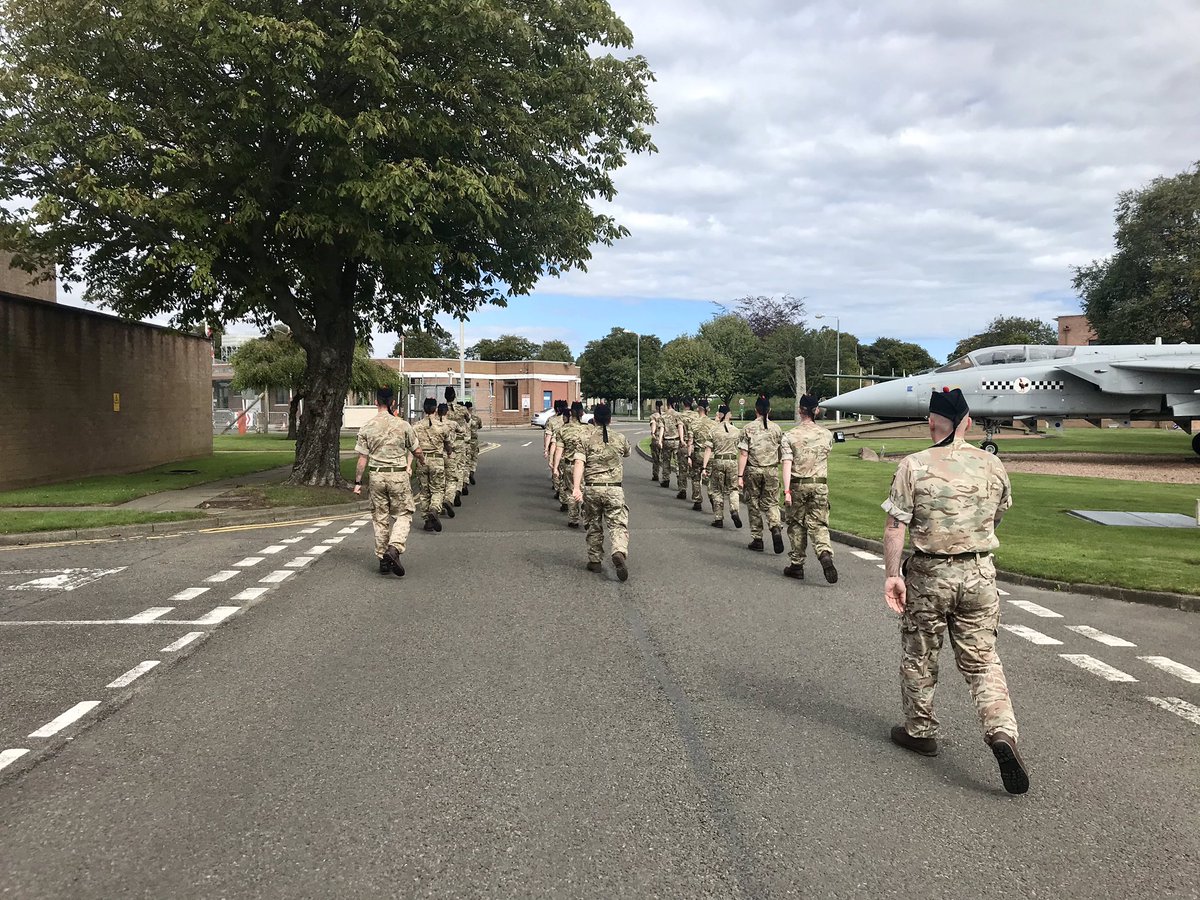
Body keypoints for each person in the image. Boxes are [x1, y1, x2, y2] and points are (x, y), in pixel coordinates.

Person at [882, 388, 1028, 795]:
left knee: (920, 655)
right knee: (982, 661)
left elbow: (895, 526)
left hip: (929, 573)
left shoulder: (913, 465)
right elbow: (999, 513)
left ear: (931, 422)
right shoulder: (991, 463)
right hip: (979, 573)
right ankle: (1001, 731)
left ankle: (920, 730)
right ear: (968, 422)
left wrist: (892, 574)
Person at [353, 387, 424, 576]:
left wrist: (358, 482)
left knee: (380, 518)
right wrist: (422, 460)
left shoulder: (367, 427)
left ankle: (383, 559)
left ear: (376, 402)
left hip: (376, 476)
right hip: (398, 476)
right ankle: (394, 547)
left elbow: (362, 459)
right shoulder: (404, 425)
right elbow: (416, 450)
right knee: (404, 513)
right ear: (393, 403)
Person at [780, 394, 838, 583]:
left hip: (798, 483)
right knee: (819, 523)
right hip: (820, 483)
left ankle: (797, 564)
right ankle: (824, 553)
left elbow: (787, 463)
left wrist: (787, 491)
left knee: (796, 523)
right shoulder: (826, 435)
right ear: (817, 411)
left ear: (800, 410)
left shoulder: (789, 435)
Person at [572, 403, 631, 581]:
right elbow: (627, 452)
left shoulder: (584, 437)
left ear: (594, 419)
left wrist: (576, 487)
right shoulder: (620, 437)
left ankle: (595, 560)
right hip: (614, 488)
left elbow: (579, 462)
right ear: (610, 419)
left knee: (593, 524)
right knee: (617, 524)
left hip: (592, 488)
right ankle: (618, 550)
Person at [737, 395, 785, 554]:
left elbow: (744, 453)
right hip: (771, 470)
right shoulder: (776, 429)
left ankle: (757, 538)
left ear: (755, 410)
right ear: (769, 410)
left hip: (753, 470)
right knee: (771, 502)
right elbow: (781, 450)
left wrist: (739, 476)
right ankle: (775, 525)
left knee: (753, 503)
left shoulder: (748, 428)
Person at [412, 397, 453, 532]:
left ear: (424, 409)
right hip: (437, 461)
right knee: (438, 489)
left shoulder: (416, 426)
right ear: (435, 409)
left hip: (422, 460)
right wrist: (449, 453)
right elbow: (448, 444)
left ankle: (427, 521)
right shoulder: (442, 426)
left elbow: (412, 446)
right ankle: (434, 509)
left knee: (424, 491)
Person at [700, 405, 742, 528]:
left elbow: (708, 449)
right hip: (732, 461)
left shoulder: (713, 430)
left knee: (717, 490)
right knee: (733, 489)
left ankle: (718, 518)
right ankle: (734, 509)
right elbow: (742, 449)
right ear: (729, 415)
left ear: (719, 415)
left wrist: (704, 467)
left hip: (718, 461)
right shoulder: (736, 431)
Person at [554, 401, 588, 527]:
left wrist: (555, 467)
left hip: (569, 464)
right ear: (582, 412)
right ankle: (586, 516)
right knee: (585, 490)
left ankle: (573, 519)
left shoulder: (563, 429)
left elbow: (559, 450)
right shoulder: (589, 429)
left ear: (570, 412)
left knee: (571, 490)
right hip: (585, 465)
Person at [443, 386, 469, 505]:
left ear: (445, 396)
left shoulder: (441, 409)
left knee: (447, 468)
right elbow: (468, 419)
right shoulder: (462, 409)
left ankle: (448, 493)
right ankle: (457, 490)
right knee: (460, 466)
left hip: (446, 442)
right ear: (454, 396)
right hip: (459, 441)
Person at [689, 398, 714, 512]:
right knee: (710, 478)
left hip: (698, 453)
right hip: (710, 454)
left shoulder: (693, 423)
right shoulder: (713, 424)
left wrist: (689, 456)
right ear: (708, 409)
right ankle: (712, 496)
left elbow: (690, 441)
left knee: (696, 477)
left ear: (698, 409)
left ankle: (697, 500)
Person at [435, 403, 456, 520]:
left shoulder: (433, 424)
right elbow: (462, 431)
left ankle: (439, 505)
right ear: (447, 412)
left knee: (439, 482)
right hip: (449, 454)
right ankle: (448, 499)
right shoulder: (452, 424)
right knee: (451, 479)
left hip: (437, 456)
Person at [675, 398, 697, 500]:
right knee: (695, 471)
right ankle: (696, 493)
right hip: (695, 445)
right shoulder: (696, 415)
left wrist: (682, 440)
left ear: (683, 404)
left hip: (685, 444)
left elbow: (680, 427)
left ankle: (683, 489)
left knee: (683, 469)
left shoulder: (681, 415)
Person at [658, 398, 681, 489]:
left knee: (666, 461)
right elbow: (680, 427)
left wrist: (660, 440)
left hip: (667, 441)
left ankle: (666, 479)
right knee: (677, 462)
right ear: (674, 404)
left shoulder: (663, 416)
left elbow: (662, 428)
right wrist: (682, 439)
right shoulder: (678, 415)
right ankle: (680, 480)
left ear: (667, 404)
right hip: (676, 440)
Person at [545, 399, 567, 495]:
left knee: (555, 466)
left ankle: (557, 487)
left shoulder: (551, 420)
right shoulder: (568, 419)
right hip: (567, 448)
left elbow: (548, 435)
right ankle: (564, 487)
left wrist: (546, 449)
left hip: (555, 446)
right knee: (565, 469)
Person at [464, 400, 482, 485]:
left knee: (466, 460)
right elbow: (480, 426)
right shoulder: (476, 418)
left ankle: (465, 478)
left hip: (465, 441)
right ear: (471, 408)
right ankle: (472, 471)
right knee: (474, 458)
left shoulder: (462, 418)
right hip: (474, 440)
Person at [649, 400, 664, 482]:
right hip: (664, 438)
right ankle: (665, 476)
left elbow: (653, 424)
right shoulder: (665, 415)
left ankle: (655, 474)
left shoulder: (653, 416)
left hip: (656, 438)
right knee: (665, 459)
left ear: (655, 406)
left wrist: (653, 433)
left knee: (656, 458)